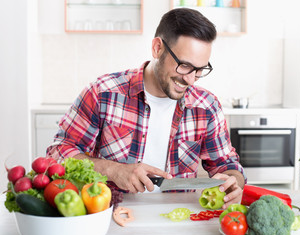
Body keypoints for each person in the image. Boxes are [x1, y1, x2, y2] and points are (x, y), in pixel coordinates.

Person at [47, 8, 246, 209]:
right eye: (184, 65)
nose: (190, 79)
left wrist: (233, 182)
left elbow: (227, 164)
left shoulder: (207, 106)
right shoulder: (103, 93)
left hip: (179, 218)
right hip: (112, 214)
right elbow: (58, 154)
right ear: (157, 48)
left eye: (200, 70)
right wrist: (113, 170)